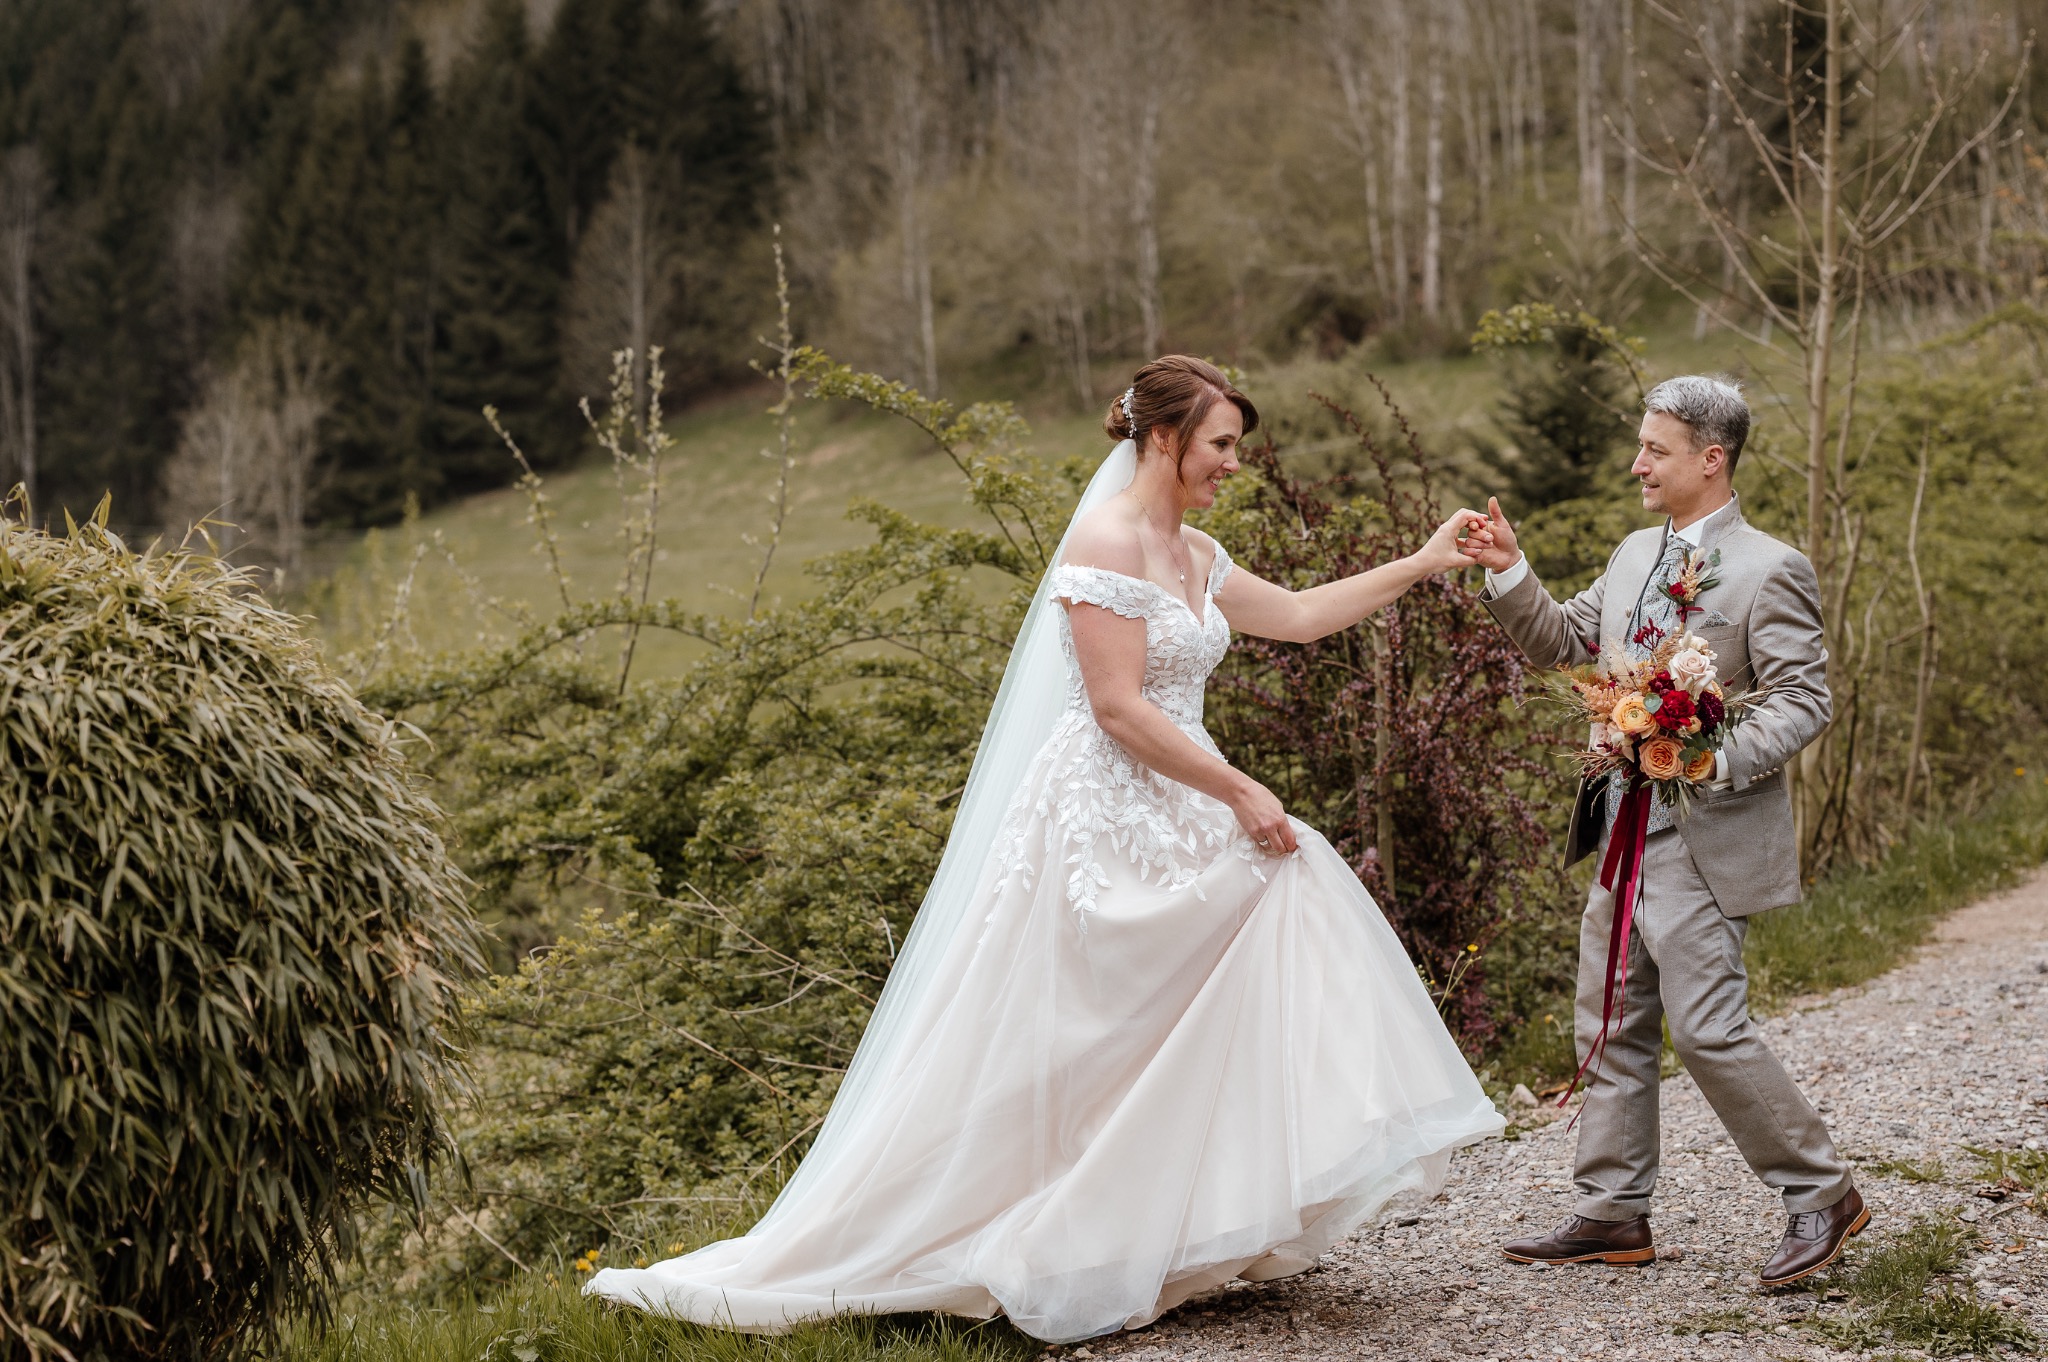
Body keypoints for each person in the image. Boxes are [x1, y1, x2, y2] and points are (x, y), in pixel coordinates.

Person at [586, 356, 1505, 1342]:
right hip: (1105, 805)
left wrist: (1421, 563)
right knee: (1074, 1029)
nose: (1233, 464)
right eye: (1220, 444)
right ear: (1162, 438)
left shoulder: (1194, 552)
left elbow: (1295, 617)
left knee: (1274, 903)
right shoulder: (1104, 543)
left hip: (1179, 789)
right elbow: (1114, 709)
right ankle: (1005, 1231)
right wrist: (1239, 788)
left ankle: (1174, 1214)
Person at [1462, 375, 1866, 1287]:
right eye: (1640, 445)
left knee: (1710, 1027)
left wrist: (1709, 759)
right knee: (1608, 1016)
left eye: (1656, 448)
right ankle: (1611, 1212)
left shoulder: (1772, 567)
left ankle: (1821, 1192)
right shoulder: (1637, 548)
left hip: (1705, 831)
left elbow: (1807, 700)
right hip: (1616, 820)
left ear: (1710, 459)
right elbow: (1568, 641)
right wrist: (1509, 569)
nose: (1637, 462)